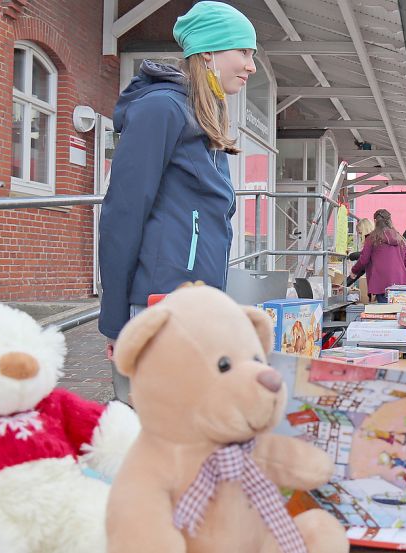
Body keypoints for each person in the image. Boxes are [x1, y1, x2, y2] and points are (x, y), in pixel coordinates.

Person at [98, 1, 258, 403]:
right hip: (160, 304)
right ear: (208, 53)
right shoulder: (162, 108)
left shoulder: (202, 114)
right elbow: (122, 214)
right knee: (157, 432)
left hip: (192, 303)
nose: (251, 66)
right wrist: (116, 322)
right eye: (243, 52)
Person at [349, 209, 406, 303]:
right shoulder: (400, 238)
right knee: (398, 313)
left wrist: (354, 271)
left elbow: (364, 259)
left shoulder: (371, 238)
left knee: (385, 313)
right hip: (400, 280)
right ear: (390, 220)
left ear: (375, 221)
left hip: (381, 282)